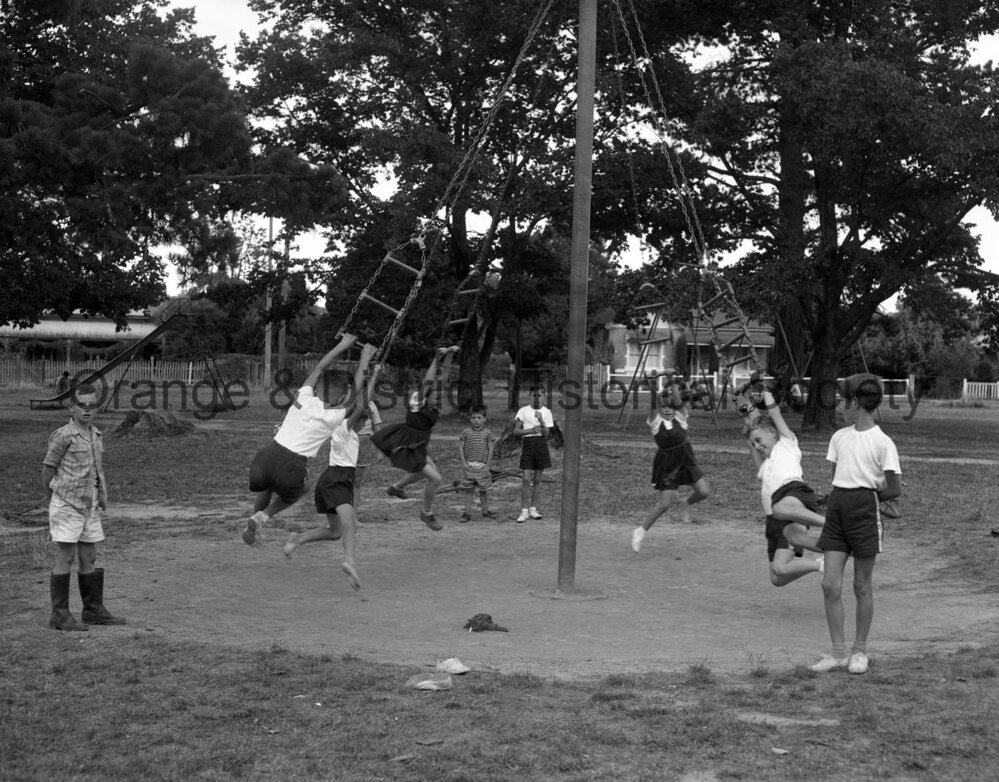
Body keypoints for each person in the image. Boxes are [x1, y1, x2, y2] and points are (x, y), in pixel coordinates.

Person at [810, 373, 901, 675]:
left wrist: (871, 495)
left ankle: (859, 651)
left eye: (842, 400)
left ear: (856, 403)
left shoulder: (883, 443)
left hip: (864, 514)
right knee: (829, 584)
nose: (838, 405)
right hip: (837, 512)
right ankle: (838, 653)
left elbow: (894, 488)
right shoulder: (839, 437)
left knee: (862, 585)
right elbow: (837, 476)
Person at [243, 333, 357, 545]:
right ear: (340, 397)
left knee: (268, 486)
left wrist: (342, 345)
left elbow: (320, 368)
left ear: (317, 388)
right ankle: (263, 516)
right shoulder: (332, 416)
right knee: (301, 489)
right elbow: (354, 397)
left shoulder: (302, 397)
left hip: (265, 457)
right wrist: (366, 361)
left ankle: (253, 524)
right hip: (292, 464)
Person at [281, 344, 377, 591]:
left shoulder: (349, 433)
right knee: (349, 524)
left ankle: (297, 540)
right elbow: (359, 404)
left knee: (335, 531)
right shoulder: (343, 427)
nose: (364, 422)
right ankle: (350, 561)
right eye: (363, 419)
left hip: (331, 480)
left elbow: (361, 405)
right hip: (337, 480)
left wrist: (375, 375)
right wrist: (371, 372)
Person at [42, 383, 126, 631]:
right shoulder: (63, 436)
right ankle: (59, 614)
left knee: (89, 555)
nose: (87, 410)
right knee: (66, 556)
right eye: (82, 405)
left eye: (92, 405)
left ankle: (93, 609)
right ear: (72, 407)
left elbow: (97, 471)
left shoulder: (96, 434)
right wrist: (53, 501)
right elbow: (47, 470)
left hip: (90, 505)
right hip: (67, 504)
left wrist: (101, 496)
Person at [743, 384, 825, 586]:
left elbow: (775, 414)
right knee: (777, 576)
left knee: (782, 507)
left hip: (794, 494)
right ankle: (823, 561)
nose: (757, 446)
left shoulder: (787, 444)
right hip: (774, 519)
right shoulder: (765, 466)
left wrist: (766, 392)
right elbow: (750, 434)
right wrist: (744, 403)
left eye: (759, 440)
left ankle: (833, 524)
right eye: (754, 444)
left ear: (773, 432)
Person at [372, 346, 459, 531]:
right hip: (407, 445)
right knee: (435, 478)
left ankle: (396, 487)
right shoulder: (418, 400)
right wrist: (436, 357)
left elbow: (442, 377)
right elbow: (429, 380)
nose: (440, 397)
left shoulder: (434, 406)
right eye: (436, 395)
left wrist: (450, 355)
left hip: (418, 447)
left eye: (441, 395)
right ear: (427, 396)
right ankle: (426, 513)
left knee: (426, 471)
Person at [631, 373, 711, 552]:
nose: (667, 410)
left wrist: (671, 378)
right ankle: (640, 531)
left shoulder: (681, 418)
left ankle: (686, 503)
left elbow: (677, 399)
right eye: (663, 407)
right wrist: (652, 385)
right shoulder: (655, 422)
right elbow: (653, 405)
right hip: (667, 464)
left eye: (670, 407)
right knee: (665, 503)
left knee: (704, 491)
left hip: (686, 458)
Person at [513, 386, 555, 523]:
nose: (537, 398)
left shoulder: (547, 412)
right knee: (526, 478)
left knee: (537, 479)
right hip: (528, 445)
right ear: (529, 396)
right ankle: (524, 511)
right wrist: (530, 430)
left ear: (544, 397)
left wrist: (542, 421)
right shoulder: (523, 411)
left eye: (540, 395)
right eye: (534, 395)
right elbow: (516, 432)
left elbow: (547, 435)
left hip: (541, 445)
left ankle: (533, 509)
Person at [353, 365, 385, 523]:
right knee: (343, 479)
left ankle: (352, 516)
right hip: (349, 443)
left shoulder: (372, 407)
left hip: (365, 445)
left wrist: (381, 450)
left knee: (356, 482)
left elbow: (377, 429)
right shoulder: (348, 404)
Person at [457, 404, 498, 522]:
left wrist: (487, 465)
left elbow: (491, 449)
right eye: (474, 418)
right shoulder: (465, 432)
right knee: (468, 490)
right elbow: (460, 448)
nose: (476, 420)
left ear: (484, 419)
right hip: (469, 466)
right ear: (470, 419)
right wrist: (464, 464)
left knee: (483, 490)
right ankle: (467, 513)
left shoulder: (488, 433)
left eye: (479, 418)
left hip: (482, 467)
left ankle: (485, 511)